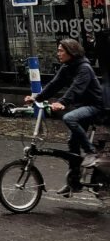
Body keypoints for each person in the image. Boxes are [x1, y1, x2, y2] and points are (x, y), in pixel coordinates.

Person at [25, 38, 104, 194]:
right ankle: (74, 183)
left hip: (94, 107)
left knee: (69, 118)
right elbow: (55, 84)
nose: (58, 53)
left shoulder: (84, 68)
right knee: (72, 142)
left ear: (71, 51)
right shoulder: (67, 67)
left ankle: (91, 152)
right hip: (80, 107)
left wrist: (62, 102)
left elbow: (76, 89)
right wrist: (36, 98)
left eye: (61, 50)